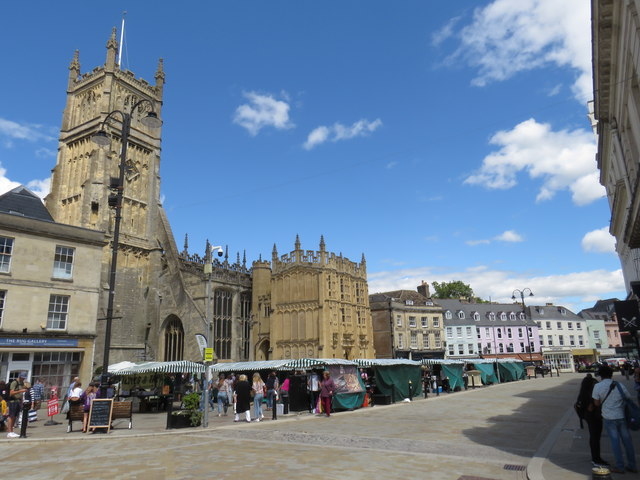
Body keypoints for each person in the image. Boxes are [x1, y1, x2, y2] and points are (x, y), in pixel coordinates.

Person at [593, 365, 638, 474]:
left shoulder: (598, 386)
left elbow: (596, 403)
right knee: (627, 441)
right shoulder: (619, 385)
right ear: (611, 374)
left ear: (600, 375)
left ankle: (620, 466)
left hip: (609, 418)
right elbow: (627, 397)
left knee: (615, 442)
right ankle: (632, 465)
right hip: (621, 416)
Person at [575, 374, 607, 466]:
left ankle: (595, 457)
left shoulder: (582, 394)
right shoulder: (590, 395)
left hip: (589, 418)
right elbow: (594, 406)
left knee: (594, 437)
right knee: (595, 438)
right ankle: (596, 458)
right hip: (594, 418)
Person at [6, 372, 28, 438]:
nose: (23, 379)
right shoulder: (14, 382)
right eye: (22, 377)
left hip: (18, 401)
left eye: (24, 377)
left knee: (14, 417)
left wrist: (21, 401)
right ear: (19, 376)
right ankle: (9, 432)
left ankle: (12, 431)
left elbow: (20, 394)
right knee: (11, 416)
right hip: (12, 401)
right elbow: (11, 392)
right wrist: (21, 391)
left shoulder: (21, 383)